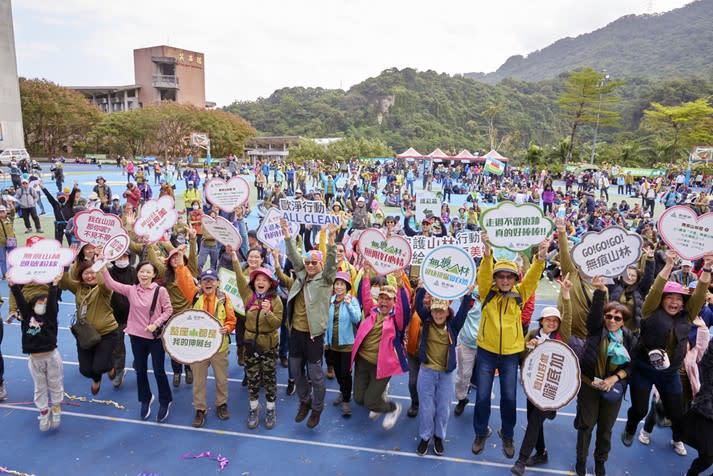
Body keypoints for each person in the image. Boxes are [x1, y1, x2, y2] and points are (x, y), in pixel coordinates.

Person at [622, 251, 713, 455]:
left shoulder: (687, 316)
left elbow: (699, 293)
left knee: (676, 413)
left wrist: (707, 268)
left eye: (679, 299)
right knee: (639, 410)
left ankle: (671, 428)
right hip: (643, 369)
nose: (674, 302)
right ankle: (630, 427)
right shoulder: (649, 311)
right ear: (662, 300)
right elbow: (655, 289)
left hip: (670, 372)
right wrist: (669, 265)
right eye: (669, 298)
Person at [471, 233, 548, 459]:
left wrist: (541, 258)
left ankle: (508, 434)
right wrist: (487, 255)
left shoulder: (519, 294)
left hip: (511, 355)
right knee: (483, 396)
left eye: (509, 276)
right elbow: (484, 275)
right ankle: (480, 432)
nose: (504, 280)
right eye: (501, 276)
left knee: (509, 398)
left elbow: (533, 278)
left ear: (515, 279)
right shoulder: (487, 293)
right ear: (496, 278)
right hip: (486, 352)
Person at [574, 276, 635, 476]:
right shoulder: (595, 330)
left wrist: (614, 378)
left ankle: (600, 460)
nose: (611, 320)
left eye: (617, 318)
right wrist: (600, 291)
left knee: (606, 429)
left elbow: (632, 365)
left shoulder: (629, 338)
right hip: (590, 385)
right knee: (586, 426)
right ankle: (581, 462)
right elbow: (594, 315)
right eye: (608, 316)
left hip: (612, 390)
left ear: (623, 321)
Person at [511, 276, 573, 475]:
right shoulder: (532, 334)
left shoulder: (562, 337)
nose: (552, 323)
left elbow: (568, 316)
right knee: (533, 420)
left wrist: (565, 295)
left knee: (535, 421)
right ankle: (541, 452)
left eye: (556, 320)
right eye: (549, 320)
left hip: (551, 388)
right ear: (542, 321)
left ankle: (521, 460)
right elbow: (522, 358)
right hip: (533, 387)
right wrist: (529, 349)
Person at [280, 217, 337, 429]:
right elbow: (294, 256)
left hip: (314, 335)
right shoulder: (301, 275)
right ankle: (305, 400)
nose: (310, 265)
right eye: (308, 262)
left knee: (316, 374)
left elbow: (332, 264)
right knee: (295, 371)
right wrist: (286, 233)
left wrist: (331, 240)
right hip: (296, 332)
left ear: (321, 265)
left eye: (315, 262)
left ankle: (317, 408)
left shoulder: (325, 279)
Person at [100, 260, 173, 421]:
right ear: (137, 273)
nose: (144, 274)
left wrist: (156, 324)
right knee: (140, 370)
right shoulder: (131, 290)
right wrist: (102, 266)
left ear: (154, 275)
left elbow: (168, 310)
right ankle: (145, 399)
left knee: (158, 370)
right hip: (136, 337)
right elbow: (111, 284)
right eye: (142, 271)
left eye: (148, 272)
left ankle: (165, 400)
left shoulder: (160, 291)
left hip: (155, 338)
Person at [413, 285, 474, 456]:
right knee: (426, 407)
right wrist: (422, 288)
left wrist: (468, 295)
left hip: (446, 374)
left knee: (443, 408)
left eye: (442, 311)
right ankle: (425, 437)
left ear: (447, 312)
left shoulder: (453, 327)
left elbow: (463, 312)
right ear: (430, 312)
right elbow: (418, 305)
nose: (438, 314)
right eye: (435, 311)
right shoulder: (426, 321)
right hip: (426, 371)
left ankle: (439, 436)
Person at [352, 262, 411, 430]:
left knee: (370, 401)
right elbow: (364, 296)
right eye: (382, 298)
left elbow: (404, 309)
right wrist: (365, 275)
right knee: (358, 399)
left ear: (394, 302)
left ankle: (393, 408)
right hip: (363, 361)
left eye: (388, 299)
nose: (384, 302)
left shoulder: (396, 320)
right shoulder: (372, 310)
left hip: (382, 365)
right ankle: (378, 405)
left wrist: (400, 286)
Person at [230, 250, 283, 430]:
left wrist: (268, 313)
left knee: (269, 378)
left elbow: (277, 323)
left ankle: (270, 408)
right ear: (253, 282)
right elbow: (238, 276)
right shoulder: (248, 295)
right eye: (257, 280)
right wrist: (235, 259)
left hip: (269, 345)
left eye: (264, 280)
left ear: (270, 283)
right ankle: (253, 408)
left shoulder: (276, 301)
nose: (260, 282)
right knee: (252, 378)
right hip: (251, 344)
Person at [179, 268, 237, 428]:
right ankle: (200, 409)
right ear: (200, 283)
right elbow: (183, 279)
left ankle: (222, 404)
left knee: (221, 379)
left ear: (218, 283)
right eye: (205, 280)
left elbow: (231, 320)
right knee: (198, 380)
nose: (208, 283)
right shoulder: (195, 296)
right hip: (199, 348)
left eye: (212, 280)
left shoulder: (225, 298)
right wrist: (179, 264)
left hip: (219, 347)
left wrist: (228, 327)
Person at [9, 275, 63, 431]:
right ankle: (44, 411)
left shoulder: (50, 317)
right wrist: (13, 285)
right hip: (35, 359)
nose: (43, 306)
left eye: (46, 304)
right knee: (39, 386)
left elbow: (52, 302)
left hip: (51, 357)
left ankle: (57, 407)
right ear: (32, 305)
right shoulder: (27, 317)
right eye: (40, 303)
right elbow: (20, 299)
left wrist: (54, 285)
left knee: (55, 383)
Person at [59, 260, 119, 395]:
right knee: (85, 370)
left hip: (106, 333)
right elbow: (64, 282)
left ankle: (109, 367)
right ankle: (96, 378)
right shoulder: (79, 288)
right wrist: (65, 263)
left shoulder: (105, 289)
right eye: (86, 273)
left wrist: (99, 266)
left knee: (100, 366)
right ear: (81, 275)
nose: (90, 276)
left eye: (93, 273)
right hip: (86, 334)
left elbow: (103, 283)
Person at [325, 271, 362, 418]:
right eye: (337, 284)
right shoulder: (330, 300)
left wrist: (349, 305)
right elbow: (326, 323)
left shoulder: (352, 300)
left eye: (342, 284)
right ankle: (343, 391)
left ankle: (346, 399)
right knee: (338, 372)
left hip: (347, 344)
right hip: (332, 344)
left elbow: (357, 318)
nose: (339, 287)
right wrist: (325, 341)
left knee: (345, 373)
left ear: (347, 287)